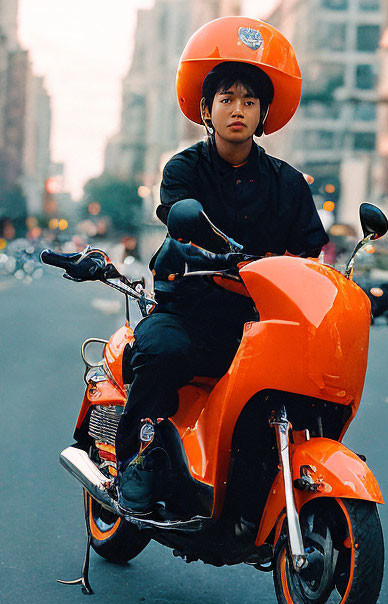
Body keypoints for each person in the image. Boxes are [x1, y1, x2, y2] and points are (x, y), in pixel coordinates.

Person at [114, 17, 328, 516]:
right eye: (227, 99)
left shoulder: (289, 183)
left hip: (259, 323)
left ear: (263, 113)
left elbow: (310, 254)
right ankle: (139, 461)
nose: (238, 110)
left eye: (249, 101)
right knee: (162, 352)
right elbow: (180, 219)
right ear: (207, 110)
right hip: (189, 310)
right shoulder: (183, 169)